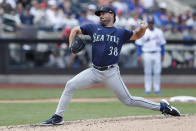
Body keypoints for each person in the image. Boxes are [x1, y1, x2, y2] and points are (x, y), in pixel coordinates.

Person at [41, 6, 180, 125]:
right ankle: (58, 117)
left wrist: (143, 28)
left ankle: (163, 107)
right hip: (94, 71)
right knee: (70, 84)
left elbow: (137, 35)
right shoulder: (92, 27)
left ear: (112, 15)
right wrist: (71, 46)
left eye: (103, 13)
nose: (100, 15)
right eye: (99, 14)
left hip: (111, 73)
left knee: (128, 100)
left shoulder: (120, 32)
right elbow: (74, 30)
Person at [136, 15, 166, 94]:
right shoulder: (143, 32)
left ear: (154, 23)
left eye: (152, 22)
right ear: (147, 23)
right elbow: (139, 45)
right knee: (147, 72)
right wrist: (138, 55)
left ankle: (157, 89)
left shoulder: (159, 32)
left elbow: (162, 44)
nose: (151, 24)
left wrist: (162, 55)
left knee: (157, 72)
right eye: (149, 22)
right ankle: (148, 89)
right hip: (146, 53)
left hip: (157, 53)